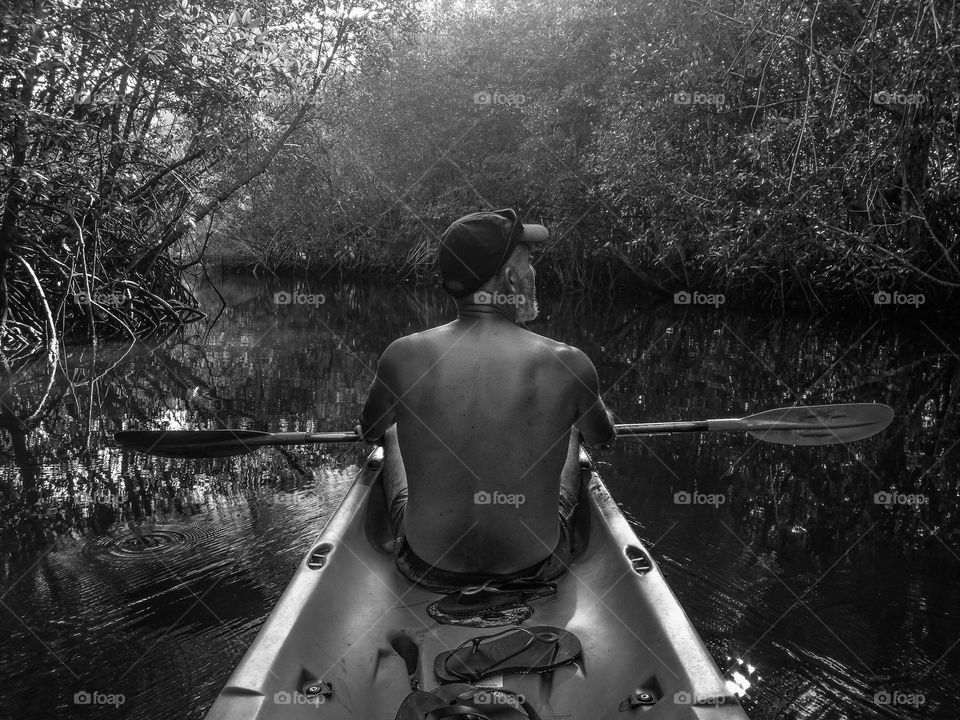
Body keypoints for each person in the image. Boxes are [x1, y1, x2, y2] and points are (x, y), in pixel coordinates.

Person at [357, 208, 616, 592]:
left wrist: (383, 428)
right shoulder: (567, 363)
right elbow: (603, 438)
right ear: (511, 278)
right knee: (575, 434)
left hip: (426, 565)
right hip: (534, 565)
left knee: (391, 434)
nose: (532, 272)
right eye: (528, 262)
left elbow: (369, 430)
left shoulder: (402, 356)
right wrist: (586, 414)